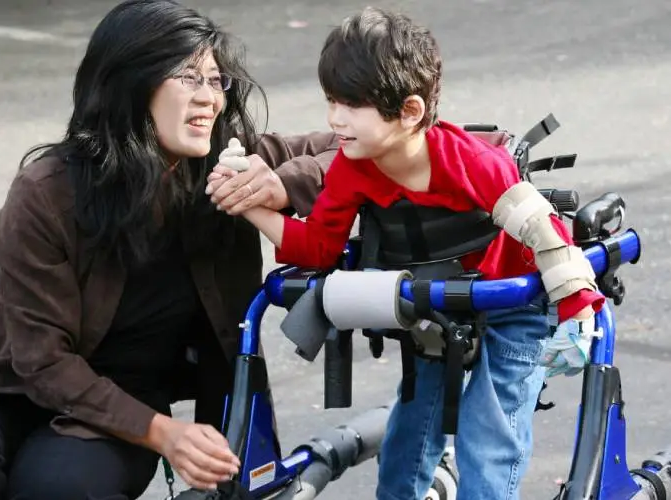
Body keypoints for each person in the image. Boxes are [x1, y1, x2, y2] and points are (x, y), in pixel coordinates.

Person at [0, 1, 337, 499]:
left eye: (214, 80)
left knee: (54, 487)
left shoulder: (229, 162)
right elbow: (44, 362)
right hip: (11, 383)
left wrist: (280, 186)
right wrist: (166, 435)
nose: (209, 99)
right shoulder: (47, 192)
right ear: (131, 83)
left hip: (123, 402)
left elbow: (358, 149)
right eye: (187, 79)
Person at [232, 7, 607, 500]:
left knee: (486, 430)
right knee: (408, 434)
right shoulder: (354, 167)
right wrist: (249, 206)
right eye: (331, 101)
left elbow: (544, 230)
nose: (333, 120)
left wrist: (578, 311)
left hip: (514, 306)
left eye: (350, 105)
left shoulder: (469, 161)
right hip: (437, 308)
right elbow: (319, 247)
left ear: (409, 111)